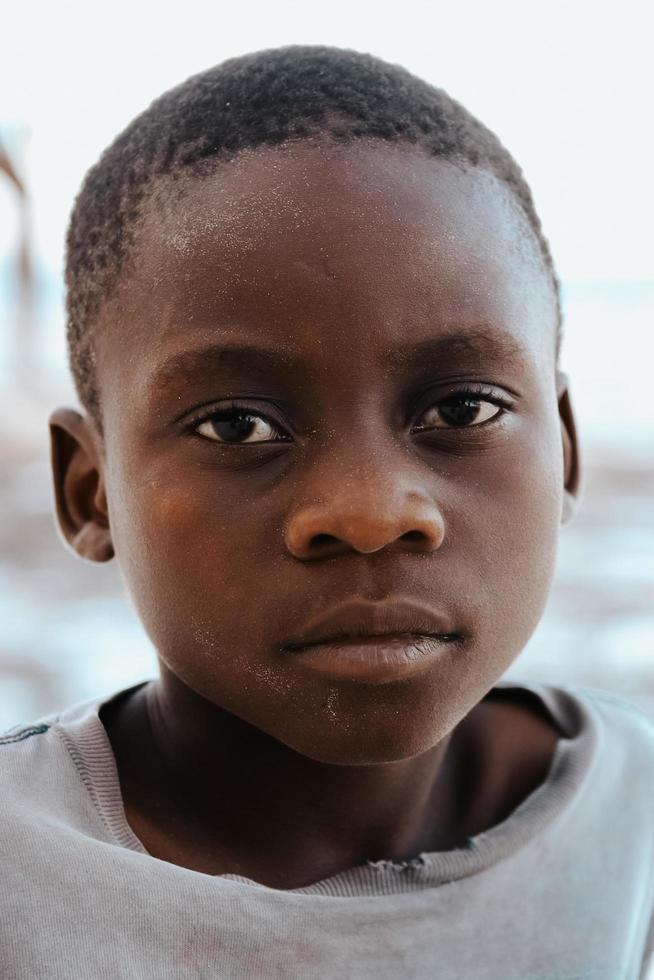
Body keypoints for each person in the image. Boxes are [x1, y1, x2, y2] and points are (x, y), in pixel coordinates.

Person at [2, 45, 653, 979]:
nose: (371, 512)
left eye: (461, 409)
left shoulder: (627, 807)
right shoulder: (20, 888)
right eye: (237, 424)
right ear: (88, 490)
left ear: (567, 450)